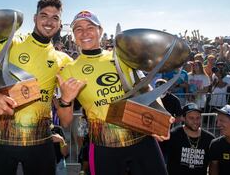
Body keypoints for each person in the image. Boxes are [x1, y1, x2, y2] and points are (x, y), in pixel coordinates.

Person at [0, 0, 72, 174]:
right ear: (35, 18)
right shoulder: (12, 42)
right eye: (44, 15)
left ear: (60, 24)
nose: (49, 22)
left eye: (55, 18)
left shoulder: (64, 60)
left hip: (41, 142)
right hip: (0, 140)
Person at [57, 10, 171, 175]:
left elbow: (146, 89)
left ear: (100, 31)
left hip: (141, 139)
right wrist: (66, 100)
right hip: (104, 146)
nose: (84, 33)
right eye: (78, 29)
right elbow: (66, 121)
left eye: (90, 27)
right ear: (74, 35)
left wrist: (161, 115)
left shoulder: (122, 57)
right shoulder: (68, 70)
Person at [161, 103, 215, 175]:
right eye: (191, 118)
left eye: (198, 118)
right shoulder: (173, 135)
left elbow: (212, 163)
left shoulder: (210, 138)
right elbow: (160, 158)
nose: (195, 121)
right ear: (183, 118)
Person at [208, 104, 230, 175]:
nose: (218, 124)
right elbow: (213, 170)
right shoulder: (216, 144)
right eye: (217, 121)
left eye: (222, 120)